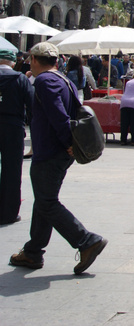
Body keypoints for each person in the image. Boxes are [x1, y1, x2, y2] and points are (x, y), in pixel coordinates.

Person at [9, 42, 107, 274]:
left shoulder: (45, 81)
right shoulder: (63, 79)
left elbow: (58, 115)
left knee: (47, 202)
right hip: (57, 150)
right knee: (45, 200)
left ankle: (86, 240)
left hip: (51, 151)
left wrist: (67, 143)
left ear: (33, 59)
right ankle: (33, 252)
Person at [0, 48, 32, 225]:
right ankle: (8, 213)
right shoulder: (20, 79)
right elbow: (32, 104)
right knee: (12, 171)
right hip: (13, 127)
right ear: (13, 62)